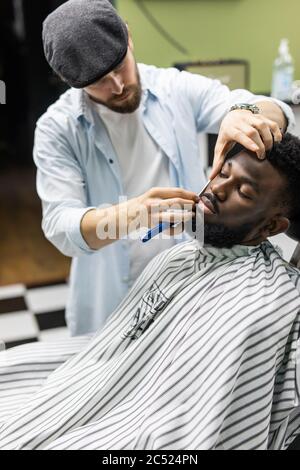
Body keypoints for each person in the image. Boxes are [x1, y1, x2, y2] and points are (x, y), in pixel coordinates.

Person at [0, 133, 299, 450]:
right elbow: (63, 226)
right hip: (98, 378)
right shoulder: (179, 257)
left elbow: (188, 425)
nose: (218, 189)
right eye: (223, 173)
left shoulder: (263, 300)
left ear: (271, 228)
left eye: (243, 191)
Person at [36, 0, 295, 335]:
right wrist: (133, 214)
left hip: (187, 293)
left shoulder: (176, 89)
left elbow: (274, 110)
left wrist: (243, 112)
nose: (116, 86)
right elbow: (60, 225)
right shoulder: (57, 129)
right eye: (98, 81)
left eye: (119, 66)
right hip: (111, 302)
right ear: (68, 80)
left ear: (128, 37)